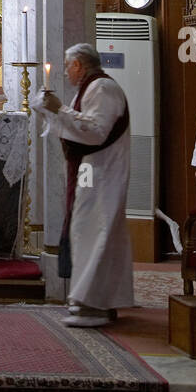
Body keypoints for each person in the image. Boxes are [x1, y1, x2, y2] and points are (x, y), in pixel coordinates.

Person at [32, 42, 133, 327]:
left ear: (79, 65)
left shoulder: (102, 88)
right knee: (88, 231)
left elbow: (95, 132)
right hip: (93, 172)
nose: (65, 72)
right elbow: (77, 127)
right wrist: (51, 112)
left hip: (102, 173)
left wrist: (59, 109)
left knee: (93, 231)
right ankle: (95, 301)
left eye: (67, 66)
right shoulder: (91, 88)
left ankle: (94, 305)